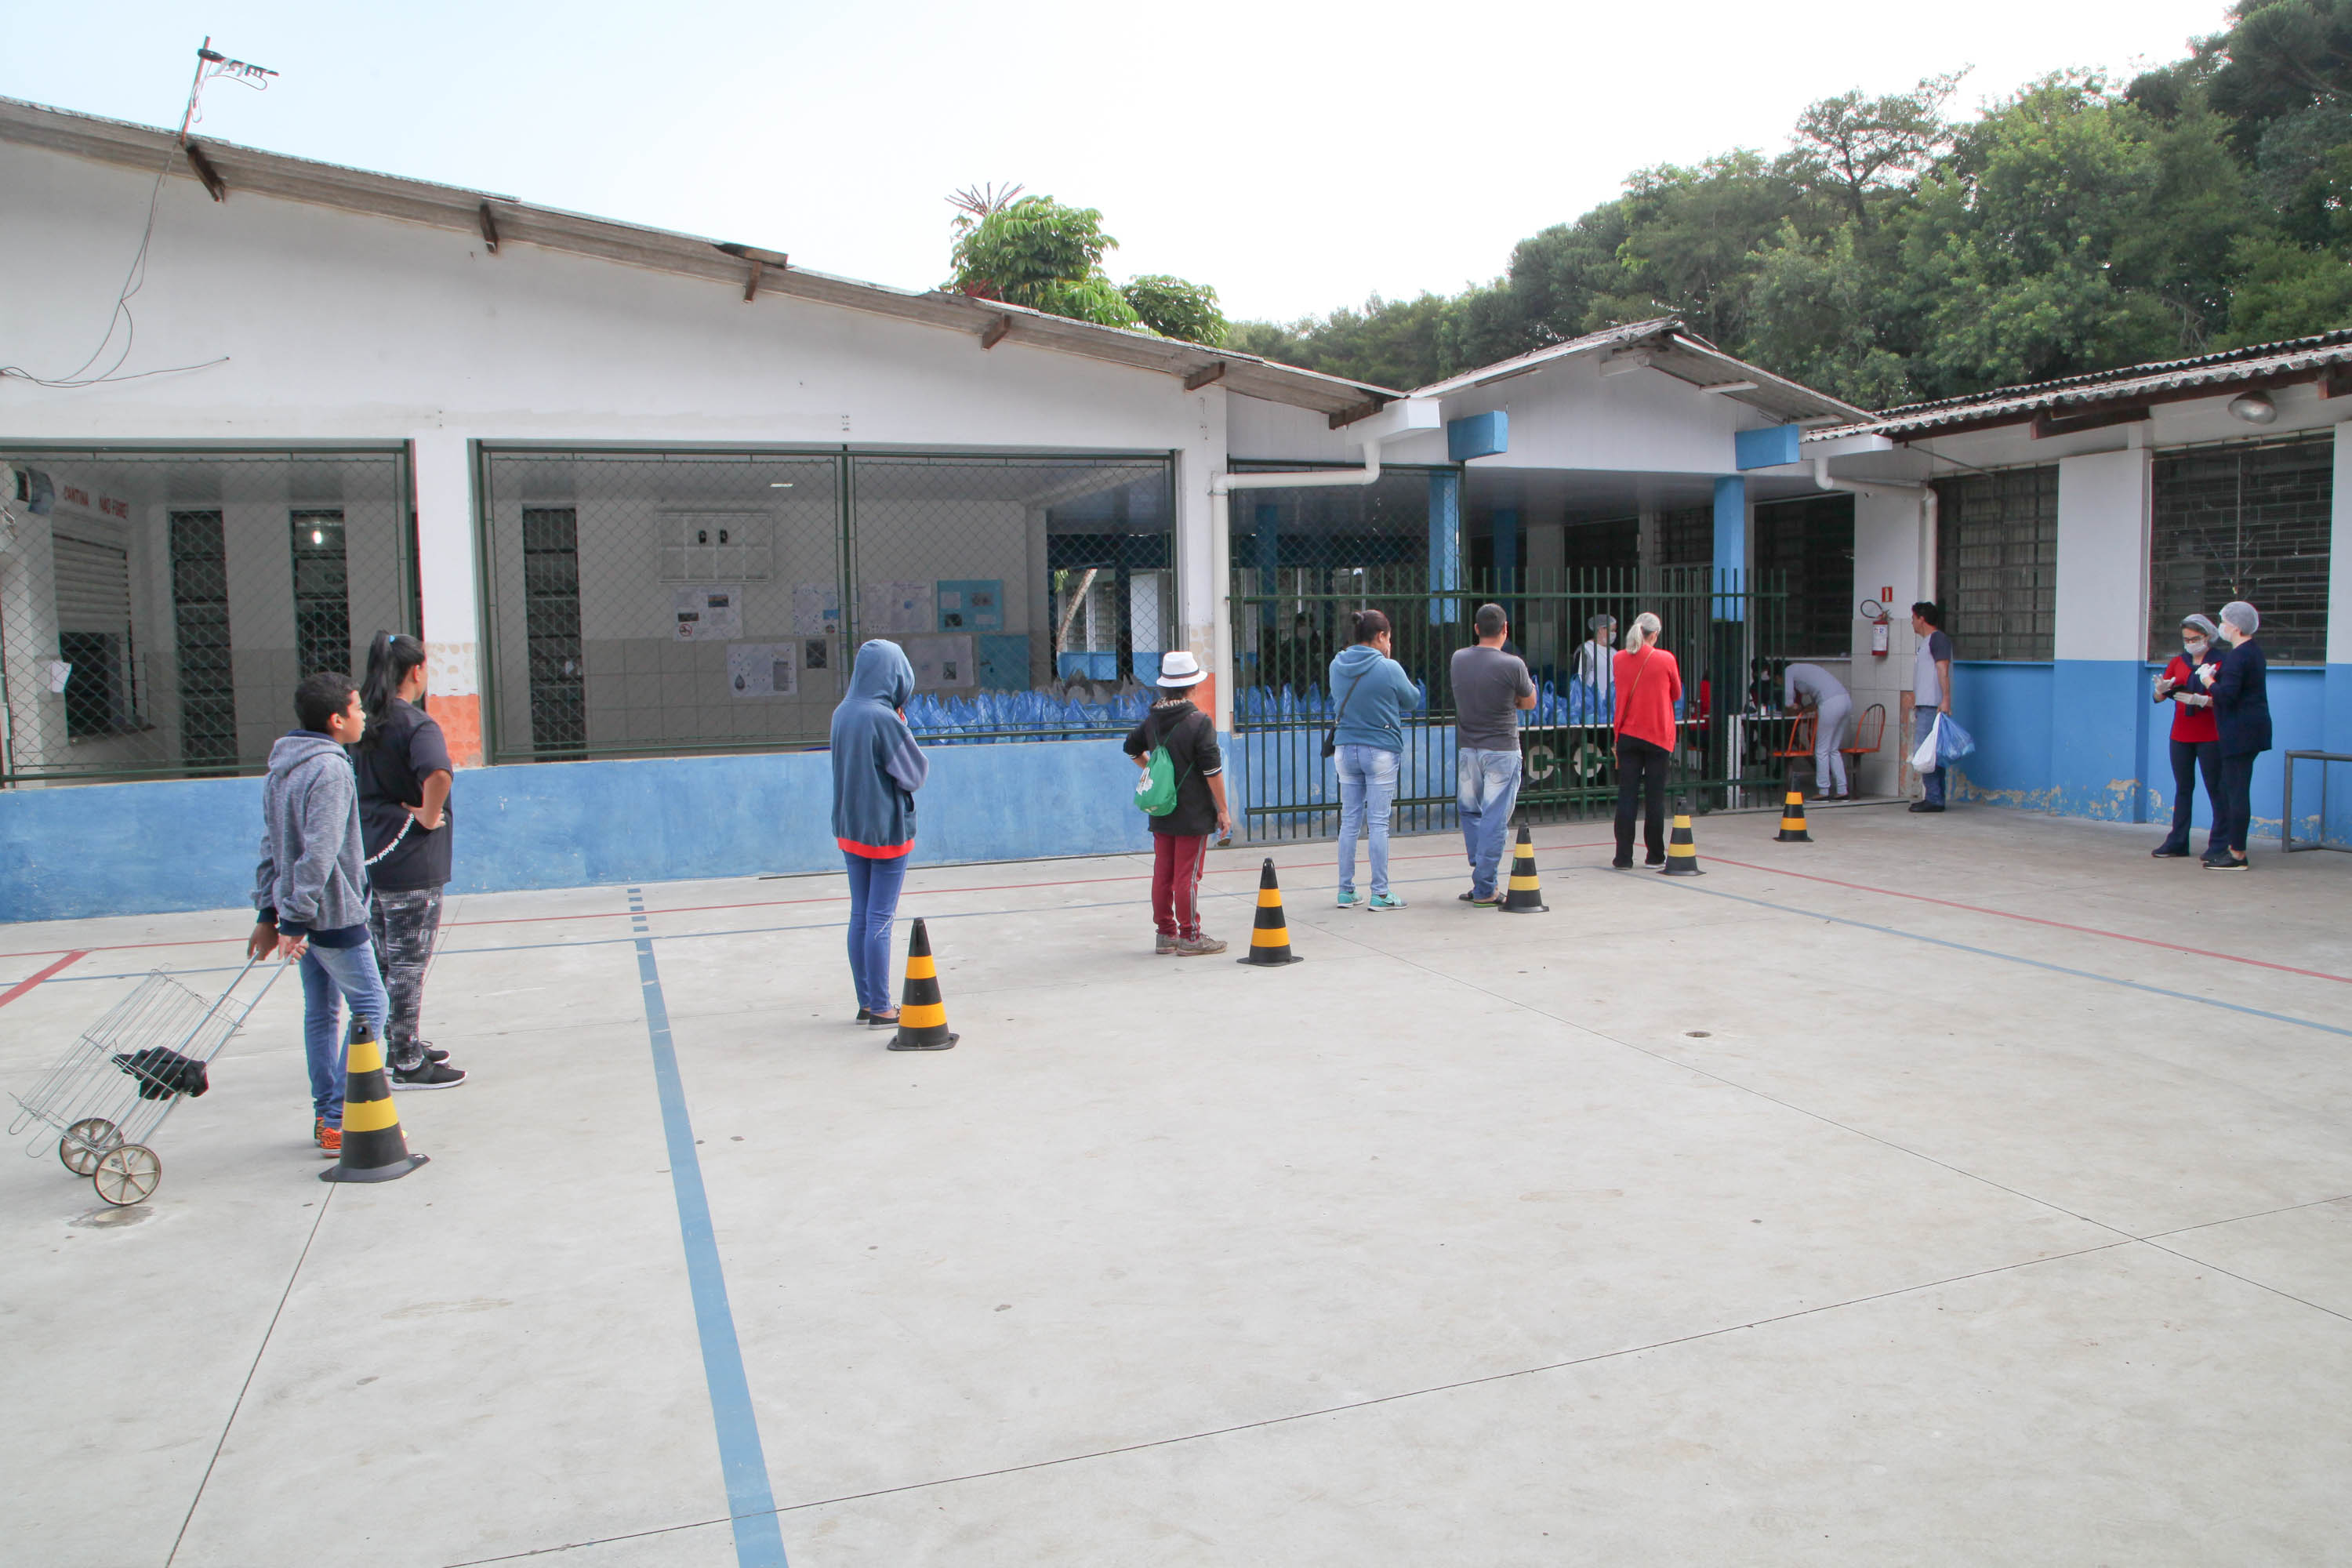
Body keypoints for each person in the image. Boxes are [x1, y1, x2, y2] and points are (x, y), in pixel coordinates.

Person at [247, 672, 389, 1157]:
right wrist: (294, 919)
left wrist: (272, 911)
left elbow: (272, 848)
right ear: (336, 720)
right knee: (372, 1008)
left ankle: (328, 1117)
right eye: (357, 708)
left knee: (323, 1013)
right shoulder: (330, 769)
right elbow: (319, 852)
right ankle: (347, 1117)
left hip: (302, 914)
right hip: (329, 916)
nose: (363, 715)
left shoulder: (281, 766)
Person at [350, 632, 466, 1089]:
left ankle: (400, 1041)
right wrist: (428, 815)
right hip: (411, 859)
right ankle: (407, 1062)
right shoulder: (416, 725)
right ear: (416, 671)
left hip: (373, 852)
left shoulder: (366, 721)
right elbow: (438, 773)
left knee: (385, 959)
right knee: (408, 963)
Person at [832, 640, 930, 1026]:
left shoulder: (843, 712)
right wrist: (903, 725)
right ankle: (881, 1006)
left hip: (850, 827)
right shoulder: (884, 719)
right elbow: (915, 774)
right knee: (881, 919)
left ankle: (866, 1001)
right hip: (886, 830)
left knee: (861, 914)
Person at [1121, 650, 1232, 954]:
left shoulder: (1152, 721)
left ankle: (1166, 933)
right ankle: (1191, 937)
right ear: (1192, 687)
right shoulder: (1200, 723)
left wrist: (1154, 772)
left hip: (1162, 808)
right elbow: (1213, 772)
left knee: (1164, 873)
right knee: (1187, 877)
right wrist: (1223, 809)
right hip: (1193, 812)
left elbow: (1131, 748)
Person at [1329, 608, 1419, 910]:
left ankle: (1346, 890)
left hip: (1344, 749)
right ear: (1380, 636)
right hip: (1380, 748)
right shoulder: (1388, 667)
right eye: (1388, 638)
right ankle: (1380, 893)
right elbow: (1412, 699)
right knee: (1378, 822)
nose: (1389, 644)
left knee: (1350, 821)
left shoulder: (1336, 665)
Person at [1452, 603, 1537, 906]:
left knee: (1471, 812)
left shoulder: (1458, 659)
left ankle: (1482, 874)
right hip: (1502, 749)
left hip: (1468, 749)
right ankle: (1486, 886)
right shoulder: (1512, 664)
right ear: (1505, 630)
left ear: (1476, 629)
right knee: (1495, 818)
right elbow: (1529, 702)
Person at [2198, 601, 2270, 871]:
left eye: (2224, 622)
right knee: (2233, 789)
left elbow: (2227, 696)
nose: (2222, 627)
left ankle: (2237, 854)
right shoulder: (2250, 653)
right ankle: (2231, 848)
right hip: (2247, 730)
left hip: (2240, 732)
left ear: (2237, 627)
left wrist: (2209, 682)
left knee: (2236, 791)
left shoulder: (2240, 656)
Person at [1611, 612, 1682, 869]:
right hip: (1658, 735)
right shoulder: (1666, 659)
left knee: (1627, 795)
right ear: (1654, 634)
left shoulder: (1619, 658)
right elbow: (1676, 692)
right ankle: (1655, 855)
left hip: (1628, 734)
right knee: (1655, 796)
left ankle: (1623, 857)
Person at [2151, 613, 2223, 860]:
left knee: (2216, 788)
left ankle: (2219, 844)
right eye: (2186, 639)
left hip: (2211, 735)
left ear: (2206, 637)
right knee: (2183, 788)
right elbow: (2160, 698)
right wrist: (2160, 691)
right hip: (2181, 734)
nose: (2190, 643)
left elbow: (2227, 698)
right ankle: (2178, 841)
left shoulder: (2220, 663)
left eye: (2194, 638)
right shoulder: (2178, 662)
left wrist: (2201, 700)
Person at [1782, 662, 1854, 800]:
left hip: (1830, 704)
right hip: (1845, 700)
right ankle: (1842, 790)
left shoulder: (1788, 671)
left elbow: (1788, 697)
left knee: (1821, 750)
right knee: (1833, 749)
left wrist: (1790, 705)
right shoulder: (1807, 668)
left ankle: (1823, 791)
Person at [1907, 601, 1955, 814]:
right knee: (1932, 754)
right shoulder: (1926, 642)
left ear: (1922, 619)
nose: (1912, 622)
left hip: (1932, 706)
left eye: (1913, 618)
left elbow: (1942, 669)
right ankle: (1936, 797)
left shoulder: (1938, 639)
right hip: (1926, 705)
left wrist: (1945, 699)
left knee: (1925, 754)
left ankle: (1934, 798)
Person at [1573, 615, 1617, 714]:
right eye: (1612, 630)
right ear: (1601, 629)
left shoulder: (1614, 652)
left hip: (1613, 709)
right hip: (1593, 710)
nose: (1614, 634)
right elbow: (1578, 681)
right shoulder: (1586, 650)